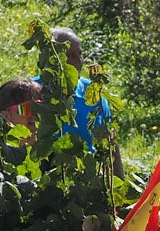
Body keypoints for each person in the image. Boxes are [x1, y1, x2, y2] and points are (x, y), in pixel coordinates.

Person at [49, 27, 124, 176]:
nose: (78, 62)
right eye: (70, 55)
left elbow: (110, 143)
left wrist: (119, 184)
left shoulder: (93, 93)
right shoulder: (35, 91)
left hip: (91, 177)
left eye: (79, 54)